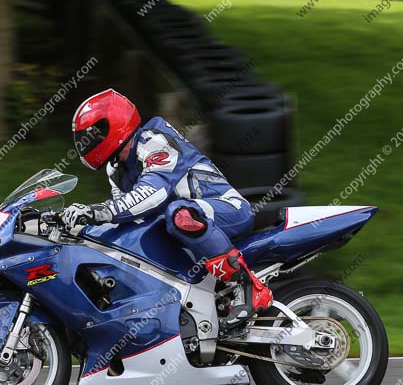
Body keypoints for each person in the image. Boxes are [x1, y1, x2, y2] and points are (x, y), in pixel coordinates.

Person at [62, 89, 272, 328]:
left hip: (226, 209)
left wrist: (96, 212)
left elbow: (152, 194)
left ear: (113, 124)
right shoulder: (116, 169)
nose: (87, 143)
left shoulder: (154, 140)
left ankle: (248, 287)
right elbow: (125, 217)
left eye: (92, 134)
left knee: (179, 214)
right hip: (184, 227)